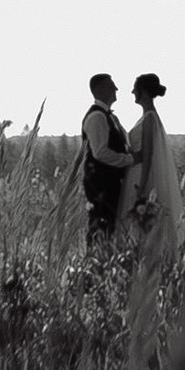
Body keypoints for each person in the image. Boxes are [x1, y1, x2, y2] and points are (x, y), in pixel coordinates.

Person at [128, 71, 181, 269]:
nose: (132, 92)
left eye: (135, 88)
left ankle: (149, 260)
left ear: (142, 91)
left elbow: (148, 153)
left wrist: (142, 185)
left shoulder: (149, 118)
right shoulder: (148, 116)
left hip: (141, 174)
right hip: (136, 171)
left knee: (142, 222)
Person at [80, 72, 130, 245]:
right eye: (111, 85)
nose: (116, 89)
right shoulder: (97, 117)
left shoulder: (110, 117)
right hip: (101, 184)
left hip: (110, 183)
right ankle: (94, 263)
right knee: (100, 226)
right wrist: (129, 160)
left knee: (109, 226)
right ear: (100, 89)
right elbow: (100, 152)